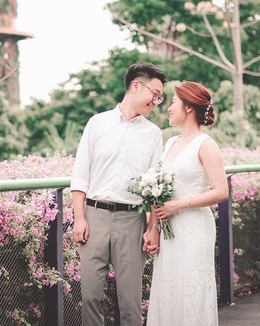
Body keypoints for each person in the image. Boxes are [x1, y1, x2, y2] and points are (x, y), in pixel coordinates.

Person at [70, 62, 166, 326]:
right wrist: (80, 218)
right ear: (136, 86)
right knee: (90, 297)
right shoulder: (97, 124)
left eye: (160, 97)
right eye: (155, 94)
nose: (157, 101)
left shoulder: (153, 135)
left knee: (131, 302)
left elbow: (156, 189)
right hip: (94, 216)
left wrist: (152, 227)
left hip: (131, 221)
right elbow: (80, 177)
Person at [146, 81, 229, 326]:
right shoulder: (170, 142)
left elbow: (222, 191)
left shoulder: (206, 145)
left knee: (191, 289)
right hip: (170, 230)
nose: (169, 107)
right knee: (169, 288)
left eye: (173, 102)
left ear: (189, 107)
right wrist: (155, 227)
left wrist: (179, 205)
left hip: (194, 228)